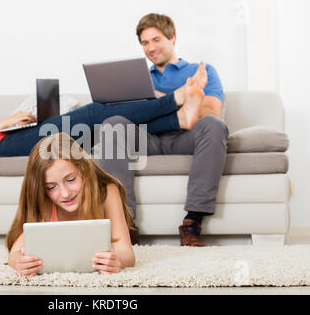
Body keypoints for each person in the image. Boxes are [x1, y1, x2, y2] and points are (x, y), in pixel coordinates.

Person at [96, 13, 229, 247]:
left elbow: (211, 112)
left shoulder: (200, 71)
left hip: (186, 139)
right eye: (145, 43)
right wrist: (173, 99)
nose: (150, 48)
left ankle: (192, 222)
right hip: (149, 139)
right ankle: (124, 223)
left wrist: (164, 101)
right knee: (112, 124)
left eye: (156, 39)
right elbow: (131, 118)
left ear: (172, 37)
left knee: (215, 125)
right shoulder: (139, 79)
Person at [0, 68, 207, 158]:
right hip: (5, 146)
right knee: (96, 113)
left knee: (99, 126)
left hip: (13, 137)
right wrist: (6, 122)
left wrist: (18, 119)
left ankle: (178, 119)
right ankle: (176, 100)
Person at [5, 132, 139, 276]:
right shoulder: (44, 200)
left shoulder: (107, 192)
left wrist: (117, 260)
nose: (65, 193)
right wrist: (19, 262)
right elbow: (14, 254)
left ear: (84, 170)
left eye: (70, 180)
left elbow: (127, 254)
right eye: (51, 187)